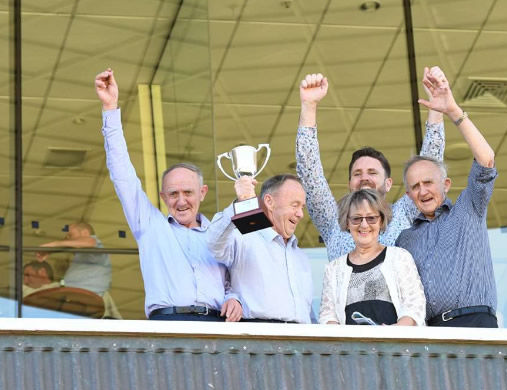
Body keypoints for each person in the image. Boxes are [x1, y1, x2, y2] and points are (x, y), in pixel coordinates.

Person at [94, 68, 241, 322]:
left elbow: (236, 279)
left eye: (188, 192)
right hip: (169, 324)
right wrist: (111, 108)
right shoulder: (150, 226)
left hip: (217, 325)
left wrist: (235, 297)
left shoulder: (219, 231)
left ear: (202, 193)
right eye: (173, 194)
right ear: (163, 197)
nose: (181, 201)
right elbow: (123, 176)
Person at [296, 68, 446, 261]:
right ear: (350, 184)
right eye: (357, 173)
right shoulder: (333, 220)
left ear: (389, 183)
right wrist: (309, 106)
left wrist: (436, 108)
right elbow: (310, 176)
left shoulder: (403, 214)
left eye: (372, 172)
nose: (364, 177)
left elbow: (428, 168)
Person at [395, 68, 498, 328]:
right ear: (409, 195)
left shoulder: (469, 208)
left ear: (446, 184)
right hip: (432, 334)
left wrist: (452, 110)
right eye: (415, 186)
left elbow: (486, 160)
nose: (423, 191)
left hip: (477, 322)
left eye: (428, 182)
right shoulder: (405, 239)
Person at [207, 174, 313, 323]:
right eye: (294, 205)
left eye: (302, 207)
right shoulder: (245, 237)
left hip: (301, 340)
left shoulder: (301, 256)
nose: (301, 214)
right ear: (269, 202)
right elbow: (213, 242)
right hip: (259, 338)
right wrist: (240, 204)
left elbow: (308, 313)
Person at [319, 189, 425, 326]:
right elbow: (327, 316)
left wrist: (396, 332)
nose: (364, 225)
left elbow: (415, 305)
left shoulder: (400, 257)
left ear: (381, 221)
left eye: (371, 218)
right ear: (347, 223)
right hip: (351, 347)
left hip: (395, 345)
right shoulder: (333, 269)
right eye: (356, 218)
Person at [37, 222, 111, 295]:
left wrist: (54, 244)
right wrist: (51, 251)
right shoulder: (83, 254)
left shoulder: (94, 243)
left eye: (70, 235)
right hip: (75, 297)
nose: (67, 239)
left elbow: (90, 242)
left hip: (85, 297)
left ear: (85, 233)